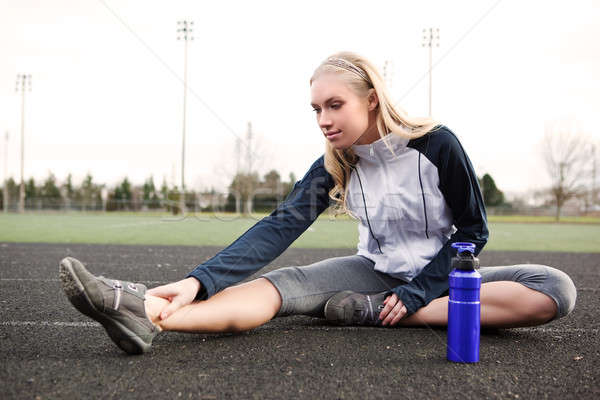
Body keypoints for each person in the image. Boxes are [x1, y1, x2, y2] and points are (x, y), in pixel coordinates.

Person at [59, 51, 577, 355]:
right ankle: (143, 312)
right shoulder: (335, 162)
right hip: (369, 271)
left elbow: (473, 231)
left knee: (553, 288)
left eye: (335, 105)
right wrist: (199, 280)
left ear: (371, 98)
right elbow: (278, 227)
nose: (324, 119)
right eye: (316, 109)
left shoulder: (437, 144)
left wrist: (418, 293)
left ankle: (384, 314)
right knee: (280, 286)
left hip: (441, 277)